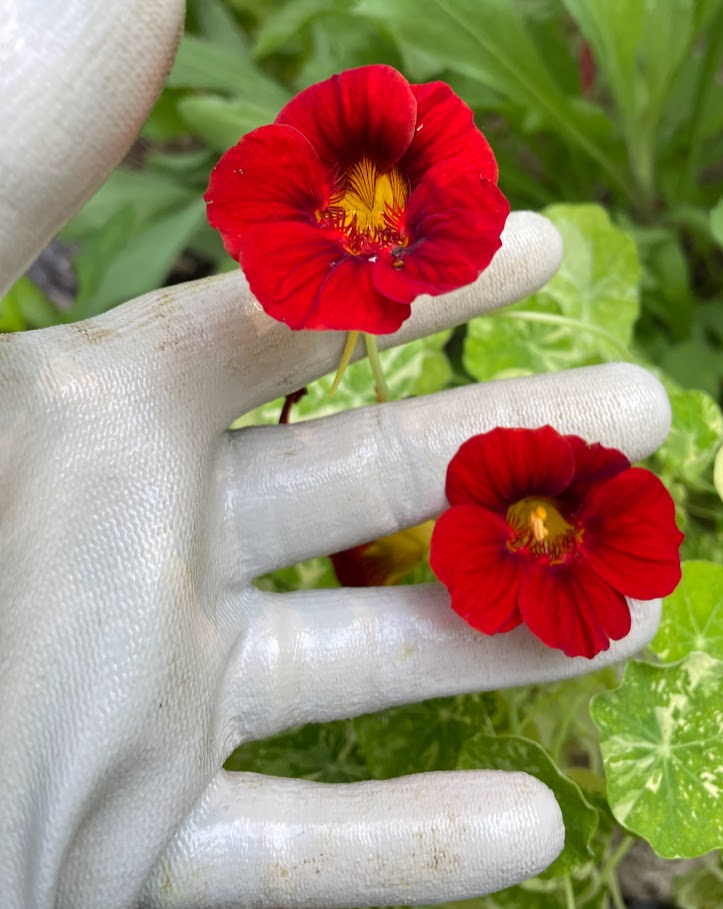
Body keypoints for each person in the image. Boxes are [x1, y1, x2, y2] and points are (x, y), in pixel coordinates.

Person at [0, 3, 671, 907]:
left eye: (378, 201)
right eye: (358, 201)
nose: (369, 212)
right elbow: (272, 205)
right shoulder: (322, 213)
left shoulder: (417, 186)